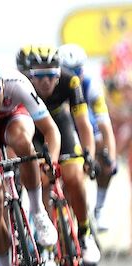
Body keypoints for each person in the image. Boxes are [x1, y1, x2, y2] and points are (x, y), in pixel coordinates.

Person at [0, 61, 60, 266]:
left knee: (23, 143)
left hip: (13, 121)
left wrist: (52, 161)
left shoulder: (17, 85)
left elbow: (50, 130)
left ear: (3, 85)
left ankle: (38, 212)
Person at [22, 45, 100, 264]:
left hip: (62, 126)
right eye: (40, 75)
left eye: (51, 75)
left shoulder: (70, 82)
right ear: (30, 75)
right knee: (42, 179)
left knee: (74, 177)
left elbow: (83, 124)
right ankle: (47, 241)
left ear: (59, 74)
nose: (45, 81)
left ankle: (84, 234)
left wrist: (89, 155)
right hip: (34, 131)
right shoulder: (22, 85)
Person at [58, 44, 117, 232]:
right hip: (64, 129)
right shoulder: (55, 86)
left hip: (86, 127)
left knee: (103, 149)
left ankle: (100, 207)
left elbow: (105, 125)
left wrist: (111, 159)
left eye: (78, 70)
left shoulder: (91, 85)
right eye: (70, 71)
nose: (76, 76)